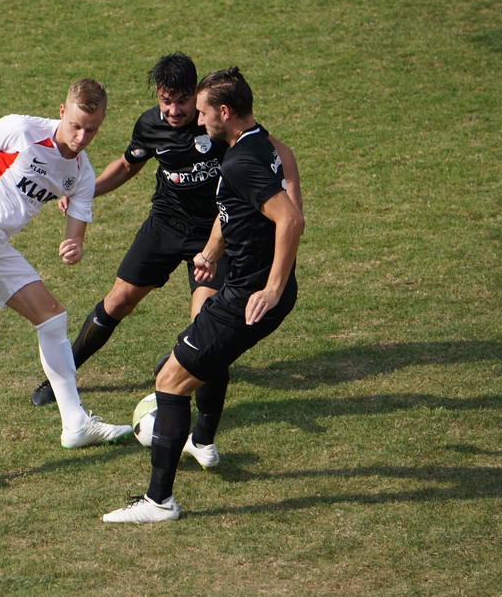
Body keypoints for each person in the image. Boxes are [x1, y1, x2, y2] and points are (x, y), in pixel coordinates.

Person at [29, 53, 301, 471]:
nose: (173, 111)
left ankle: (203, 436)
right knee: (117, 301)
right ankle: (61, 380)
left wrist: (291, 197)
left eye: (182, 101)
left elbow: (276, 150)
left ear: (197, 97)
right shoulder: (150, 124)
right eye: (165, 101)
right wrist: (85, 191)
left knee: (205, 326)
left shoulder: (216, 122)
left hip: (213, 236)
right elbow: (127, 165)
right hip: (165, 226)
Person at [103, 66, 304, 522]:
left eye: (203, 112)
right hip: (245, 286)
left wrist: (271, 288)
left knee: (169, 380)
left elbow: (291, 219)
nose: (197, 119)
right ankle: (202, 441)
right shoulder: (258, 143)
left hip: (245, 296)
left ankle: (159, 502)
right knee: (191, 364)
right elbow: (234, 210)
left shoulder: (238, 162)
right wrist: (212, 251)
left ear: (224, 112)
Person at [0, 78, 133, 480]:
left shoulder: (82, 174)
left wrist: (74, 247)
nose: (81, 138)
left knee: (52, 317)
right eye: (76, 126)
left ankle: (75, 423)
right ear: (62, 112)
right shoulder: (22, 130)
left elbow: (76, 233)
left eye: (92, 130)